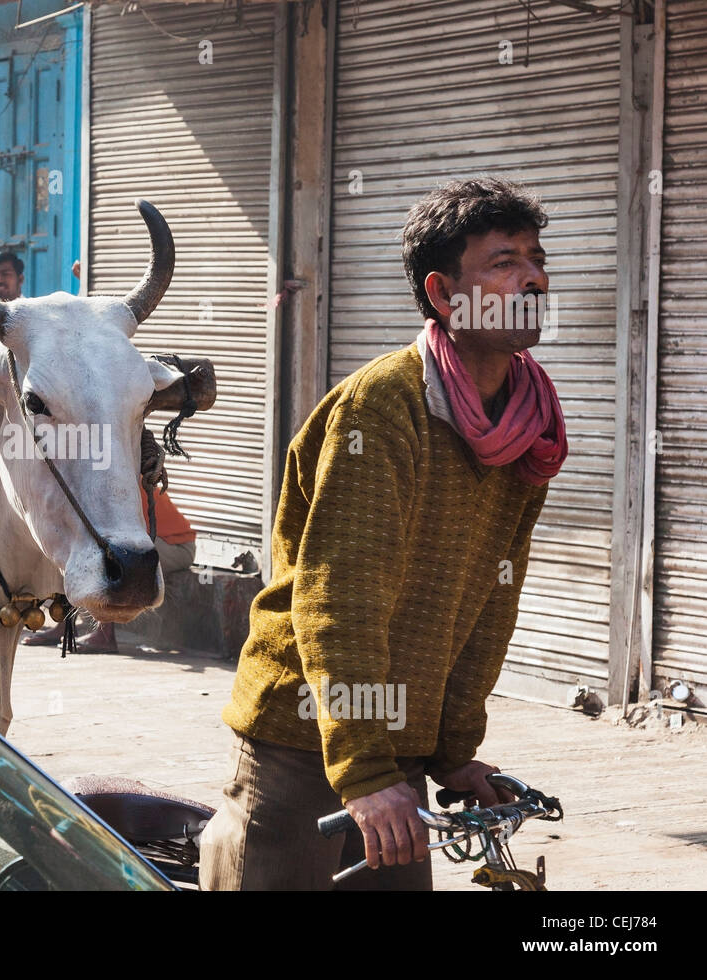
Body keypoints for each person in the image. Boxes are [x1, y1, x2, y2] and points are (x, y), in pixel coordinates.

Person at [199, 176, 567, 891]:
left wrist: (455, 749)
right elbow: (342, 603)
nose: (533, 277)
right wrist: (364, 772)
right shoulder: (384, 406)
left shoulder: (528, 422)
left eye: (536, 257)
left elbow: (491, 601)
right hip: (305, 734)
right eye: (503, 262)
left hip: (402, 741)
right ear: (442, 294)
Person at [22, 486, 196, 654]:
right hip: (162, 542)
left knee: (108, 555)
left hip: (177, 547)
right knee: (73, 549)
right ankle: (64, 627)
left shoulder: (117, 484)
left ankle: (105, 637)